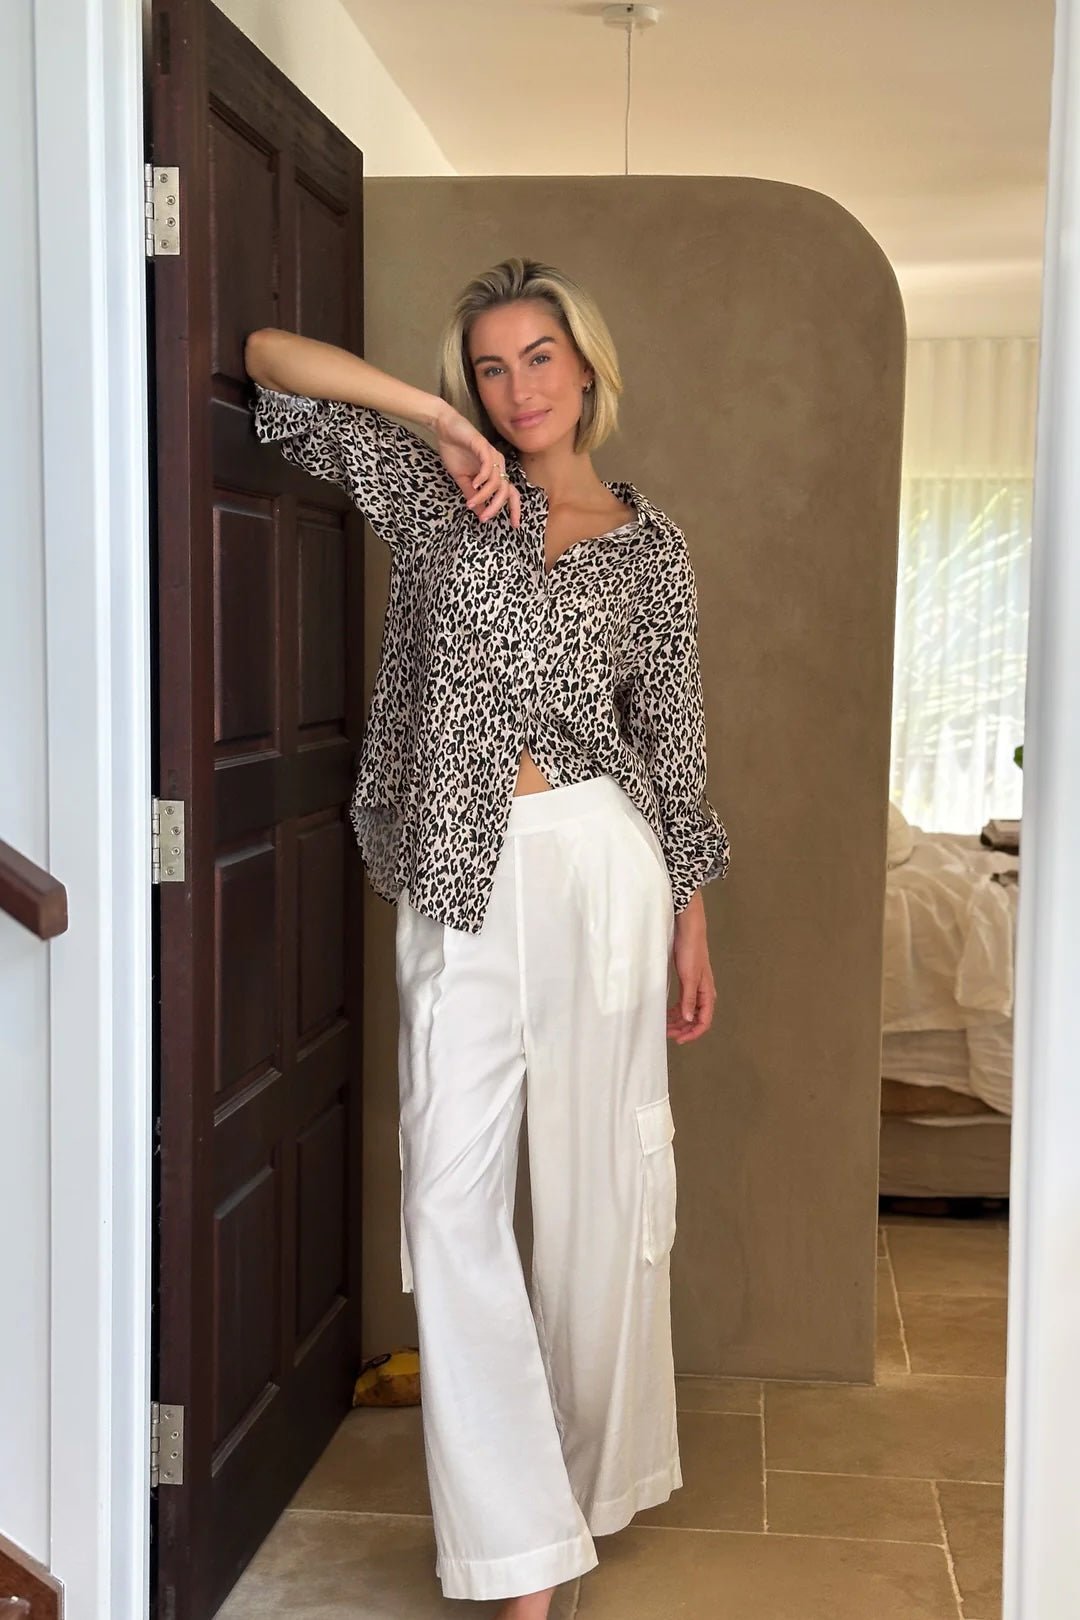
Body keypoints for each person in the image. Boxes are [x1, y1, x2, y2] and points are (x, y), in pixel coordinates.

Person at [244, 255, 730, 1620]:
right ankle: (521, 1539)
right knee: (448, 1201)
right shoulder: (438, 490)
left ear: (587, 368)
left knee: (598, 1200)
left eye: (540, 358)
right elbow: (271, 361)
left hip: (602, 865)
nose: (519, 387)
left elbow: (672, 747)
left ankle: (562, 1515)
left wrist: (692, 919)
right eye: (492, 366)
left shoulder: (651, 548)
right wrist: (434, 419)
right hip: (461, 864)